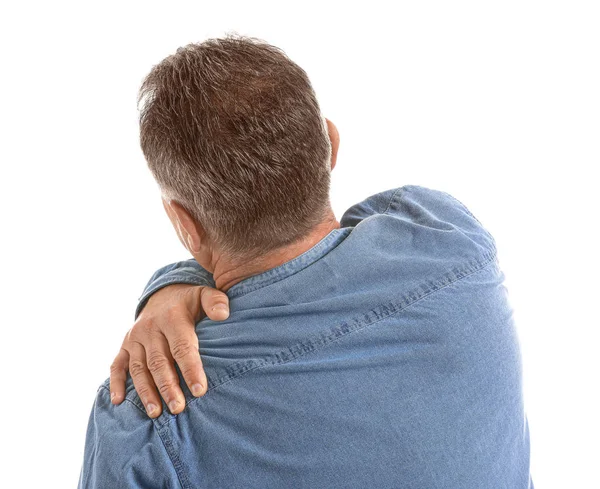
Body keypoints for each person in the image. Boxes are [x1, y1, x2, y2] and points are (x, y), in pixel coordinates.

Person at [78, 33, 533, 488]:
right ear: (332, 146)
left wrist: (171, 283)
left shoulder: (150, 416)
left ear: (185, 225)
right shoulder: (448, 236)